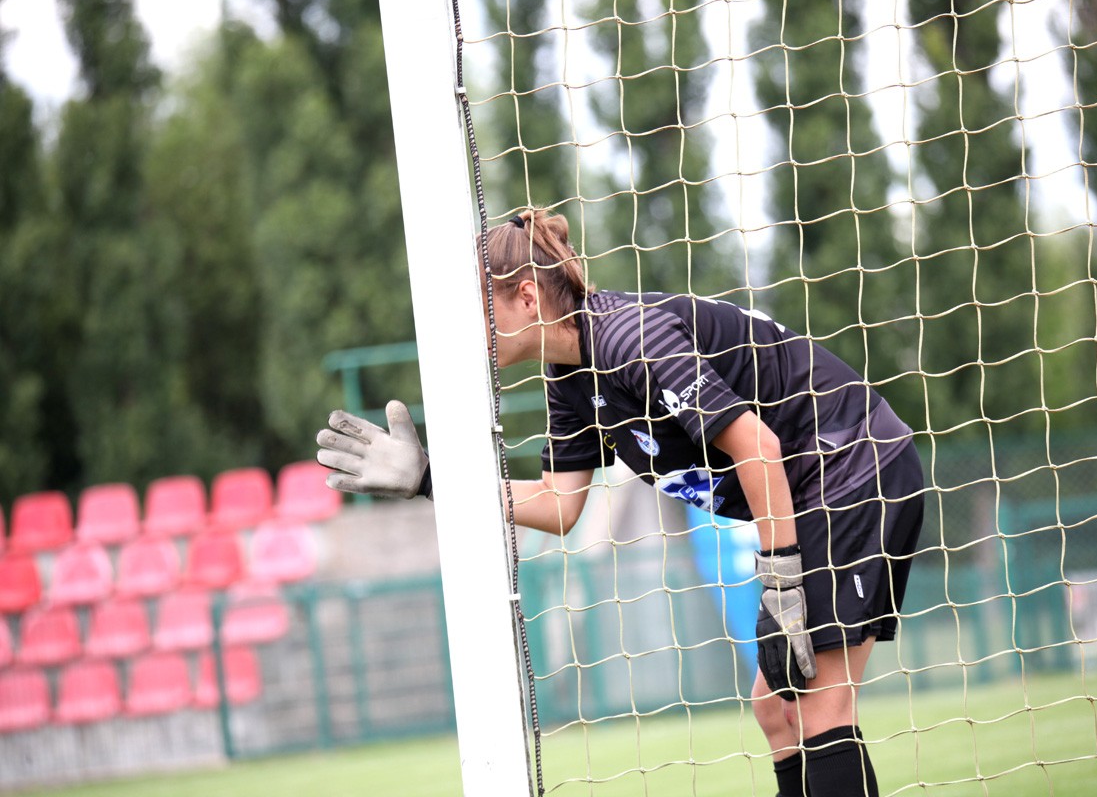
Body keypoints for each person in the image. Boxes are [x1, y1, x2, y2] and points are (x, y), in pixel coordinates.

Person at [315, 208, 925, 797]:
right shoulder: (567, 378)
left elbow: (757, 447)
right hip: (817, 486)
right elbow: (557, 506)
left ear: (526, 296)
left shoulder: (629, 338)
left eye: (478, 312)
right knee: (776, 711)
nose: (468, 335)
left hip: (853, 464)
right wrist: (433, 480)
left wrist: (781, 582)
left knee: (819, 709)